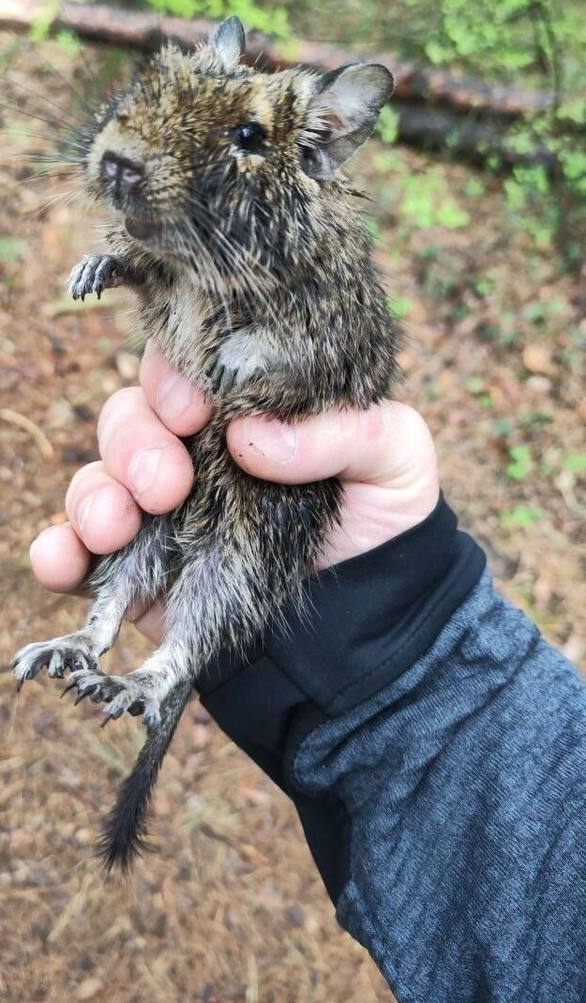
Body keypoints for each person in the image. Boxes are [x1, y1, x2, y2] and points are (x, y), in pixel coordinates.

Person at [31, 341, 586, 1003]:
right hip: (282, 558)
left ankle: (149, 671)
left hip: (262, 538)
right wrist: (398, 624)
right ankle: (101, 637)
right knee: (143, 517)